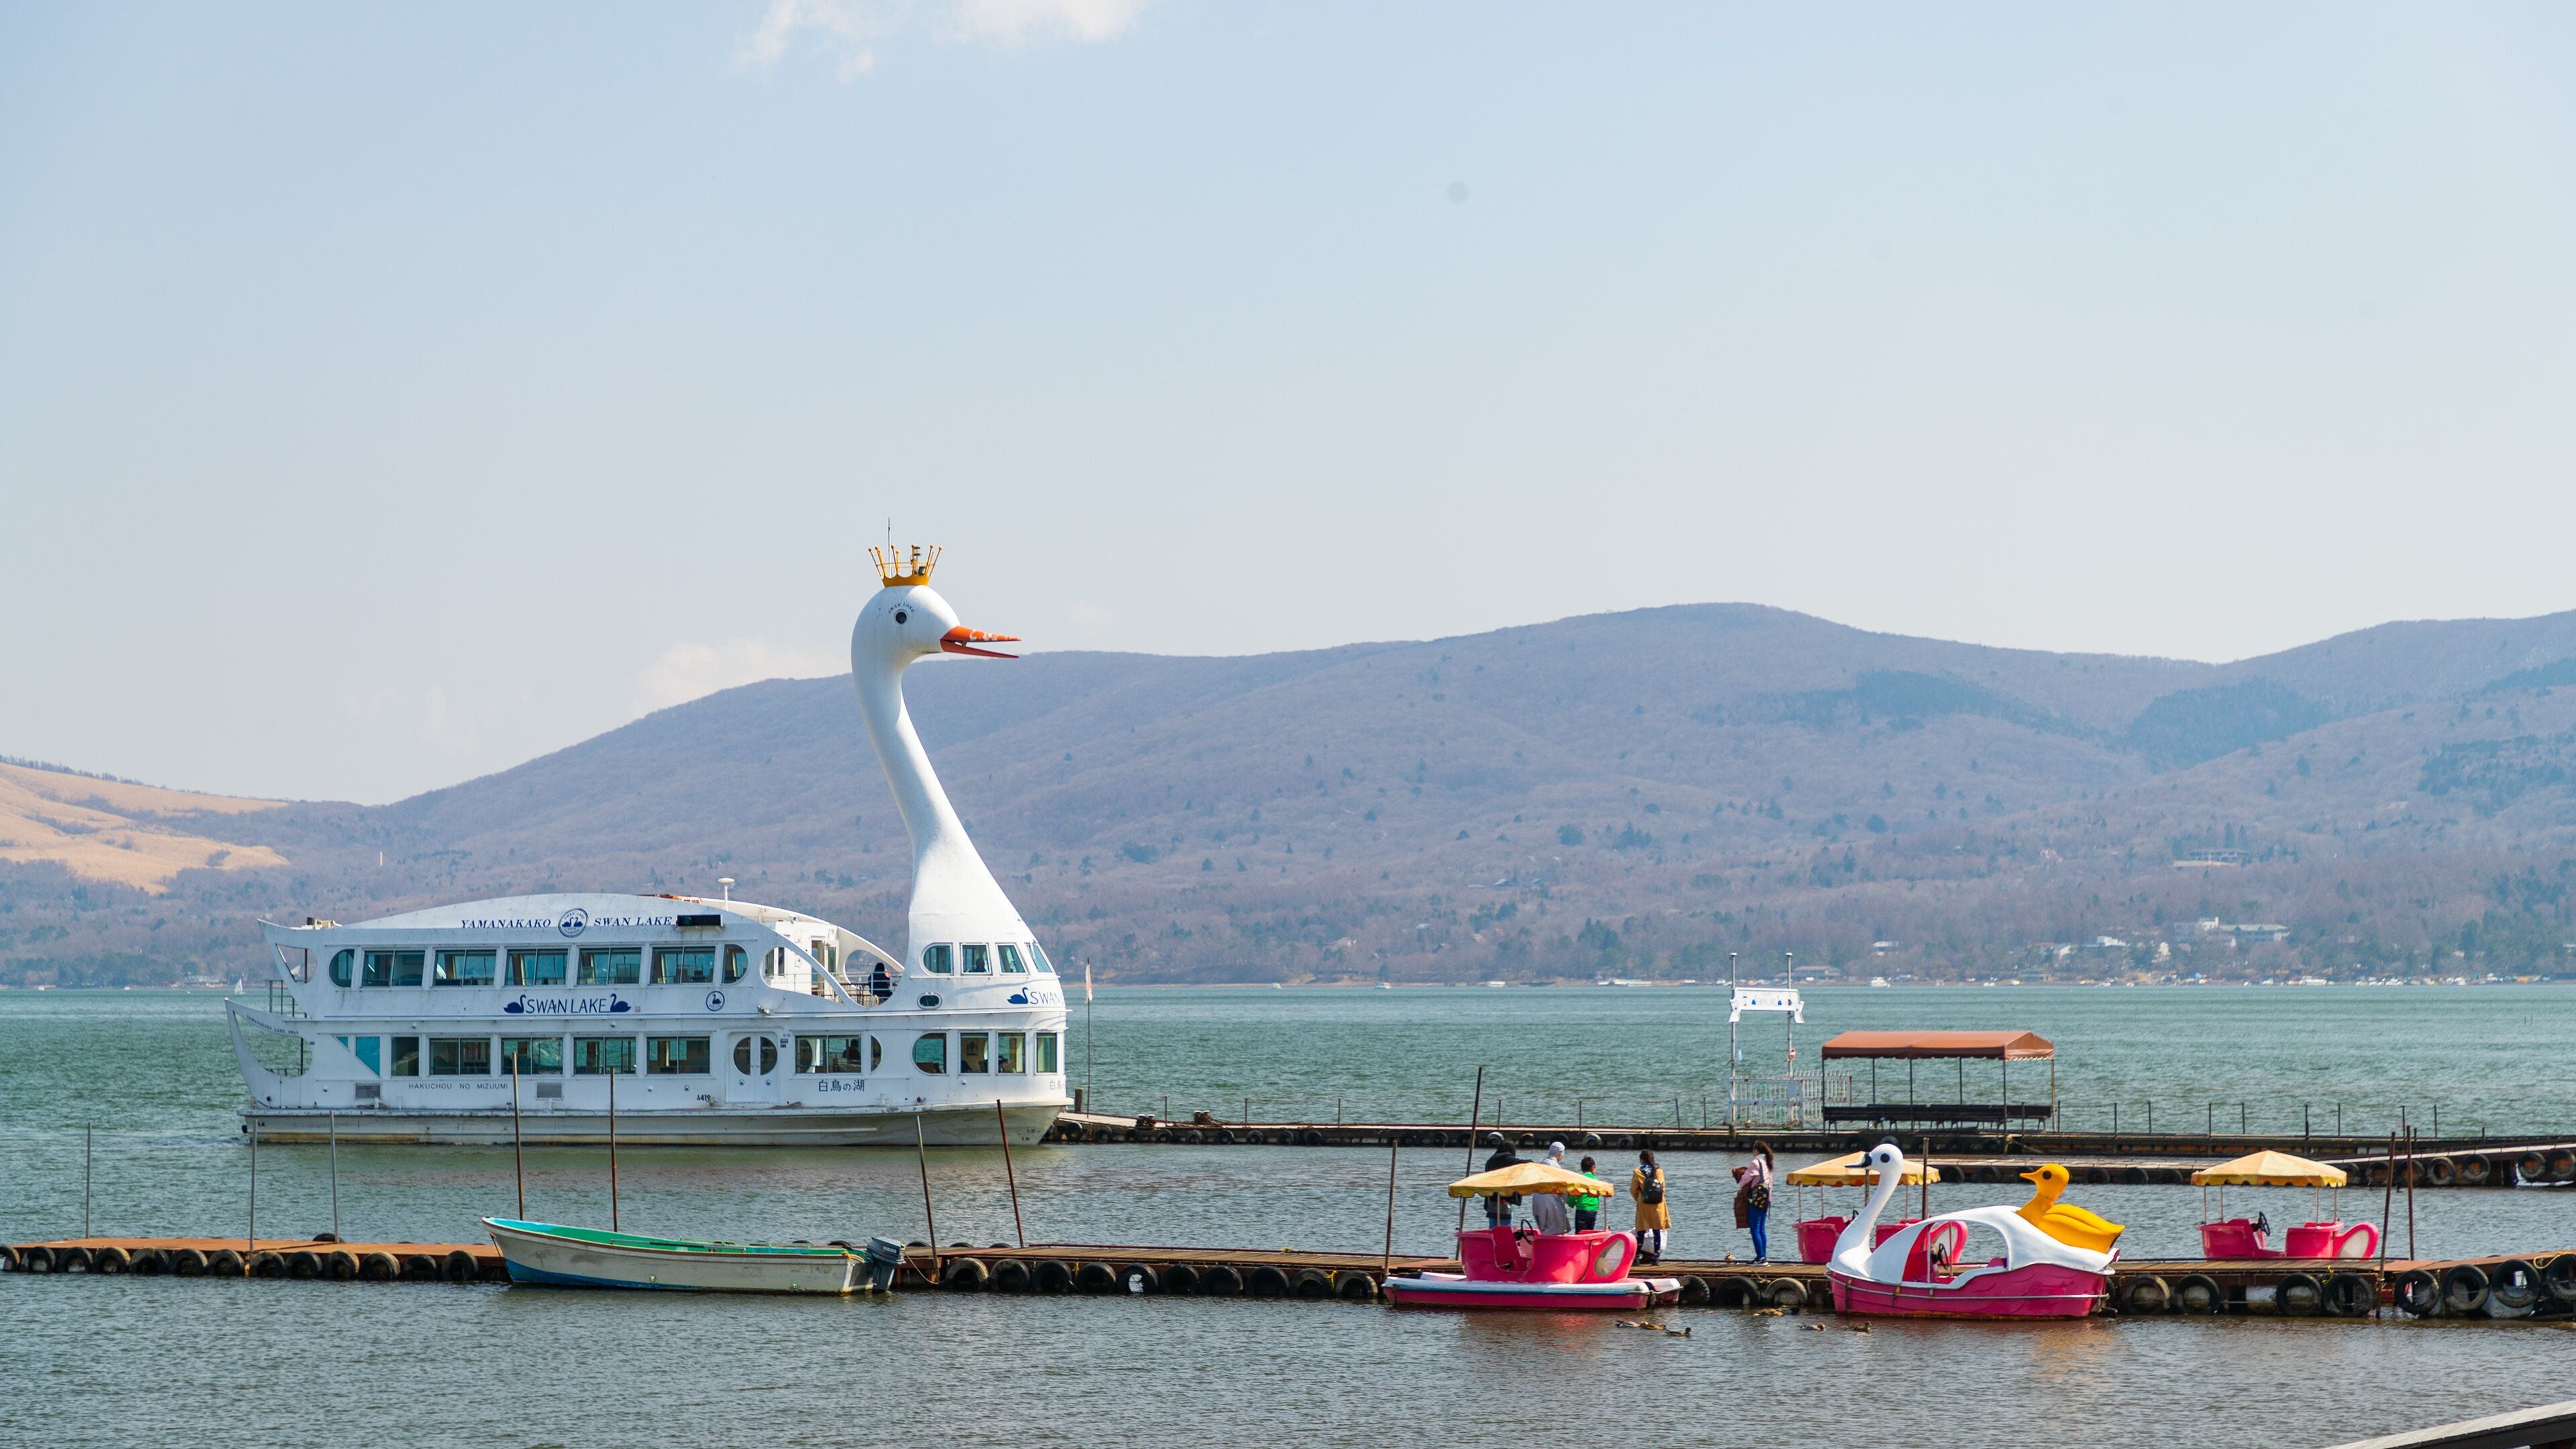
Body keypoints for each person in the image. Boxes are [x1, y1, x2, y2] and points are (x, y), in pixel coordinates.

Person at [1733, 1140, 1777, 1264]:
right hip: (1766, 1199)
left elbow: (1746, 1178)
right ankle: (1763, 1256)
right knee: (1761, 1229)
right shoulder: (1768, 1163)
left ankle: (1760, 1258)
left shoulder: (1756, 1162)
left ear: (1756, 1151)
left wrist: (1740, 1183)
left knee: (1755, 1229)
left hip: (1756, 1199)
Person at [1631, 1149, 1670, 1263]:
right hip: (1658, 1205)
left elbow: (1633, 1189)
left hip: (1644, 1204)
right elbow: (1662, 1187)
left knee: (1641, 1231)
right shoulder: (1659, 1171)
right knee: (1657, 1230)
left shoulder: (1638, 1171)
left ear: (1641, 1160)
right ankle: (1656, 1257)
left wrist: (1638, 1199)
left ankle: (1637, 1257)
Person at [1530, 1141, 1572, 1234]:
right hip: (1551, 1201)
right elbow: (1562, 1187)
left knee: (1544, 1228)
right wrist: (1569, 1199)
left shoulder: (1540, 1164)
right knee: (1557, 1229)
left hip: (1537, 1199)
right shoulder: (1556, 1167)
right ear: (1560, 1154)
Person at [1481, 1132, 1522, 1228]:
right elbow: (1523, 1164)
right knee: (1505, 1228)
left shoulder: (1490, 1161)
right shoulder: (1508, 1159)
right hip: (1505, 1200)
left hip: (1491, 1200)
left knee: (1493, 1227)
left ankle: (1492, 1242)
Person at [1572, 1156, 1605, 1232]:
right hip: (1594, 1210)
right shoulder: (1596, 1180)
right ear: (1593, 1167)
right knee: (1590, 1232)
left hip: (1582, 1209)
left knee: (1580, 1233)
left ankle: (1580, 1244)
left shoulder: (1579, 1179)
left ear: (1582, 1169)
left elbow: (1573, 1194)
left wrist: (1571, 1203)